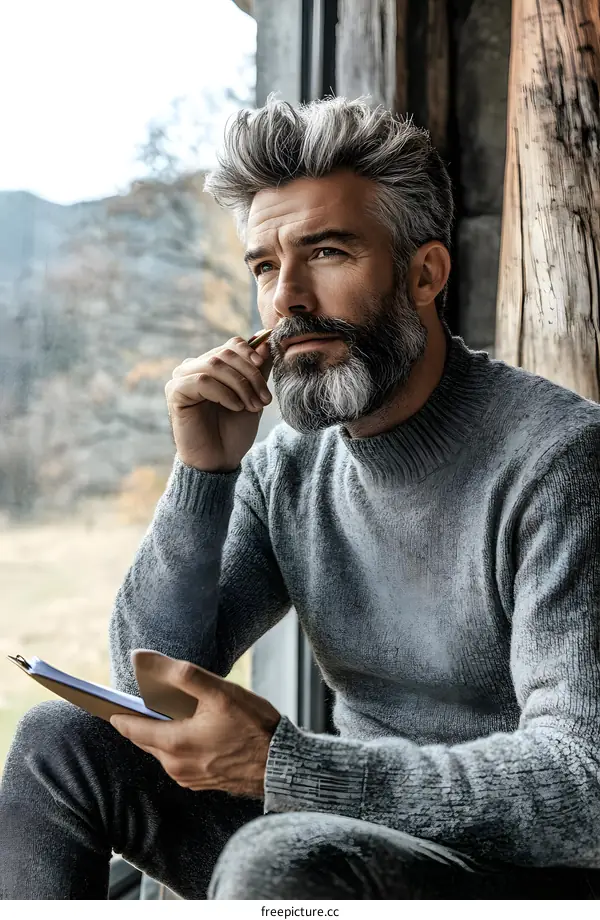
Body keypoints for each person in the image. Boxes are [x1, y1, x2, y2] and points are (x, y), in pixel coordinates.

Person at [2, 96, 600, 901]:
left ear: (424, 273)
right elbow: (154, 691)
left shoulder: (560, 460)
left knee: (280, 866)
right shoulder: (288, 465)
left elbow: (583, 783)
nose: (287, 297)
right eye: (263, 267)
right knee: (62, 740)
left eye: (326, 252)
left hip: (516, 878)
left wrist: (288, 768)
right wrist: (202, 478)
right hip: (340, 832)